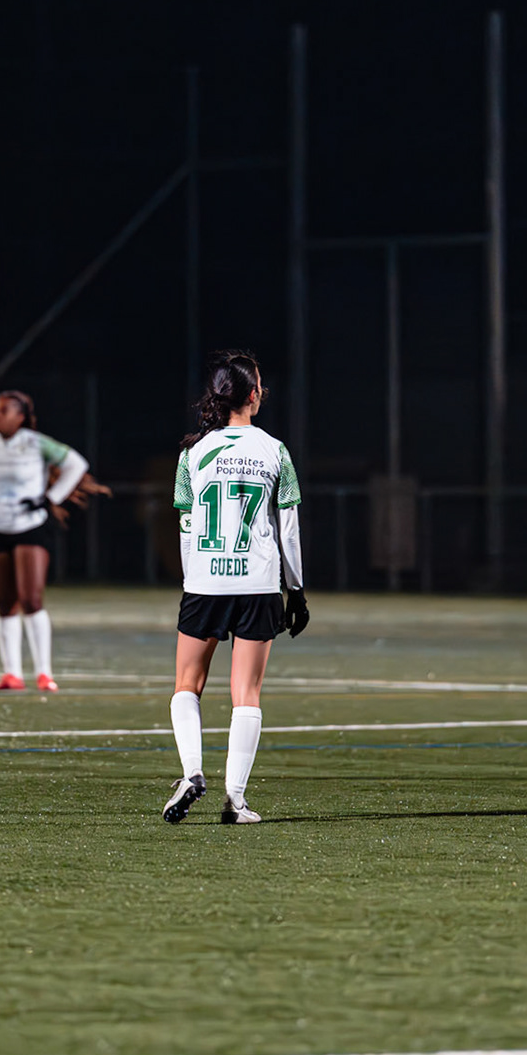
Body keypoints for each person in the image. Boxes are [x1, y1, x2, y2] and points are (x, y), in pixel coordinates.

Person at [162, 350, 307, 826]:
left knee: (187, 686)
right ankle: (235, 801)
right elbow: (288, 530)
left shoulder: (193, 453)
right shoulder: (275, 450)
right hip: (257, 584)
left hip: (204, 582)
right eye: (260, 384)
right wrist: (297, 591)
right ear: (251, 395)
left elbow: (186, 525)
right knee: (247, 694)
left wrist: (192, 580)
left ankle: (190, 774)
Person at [0, 391, 90, 691]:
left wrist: (50, 499)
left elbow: (76, 464)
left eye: (3, 411)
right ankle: (12, 673)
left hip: (29, 526)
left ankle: (44, 673)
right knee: (5, 602)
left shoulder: (36, 443)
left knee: (31, 599)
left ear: (20, 417)